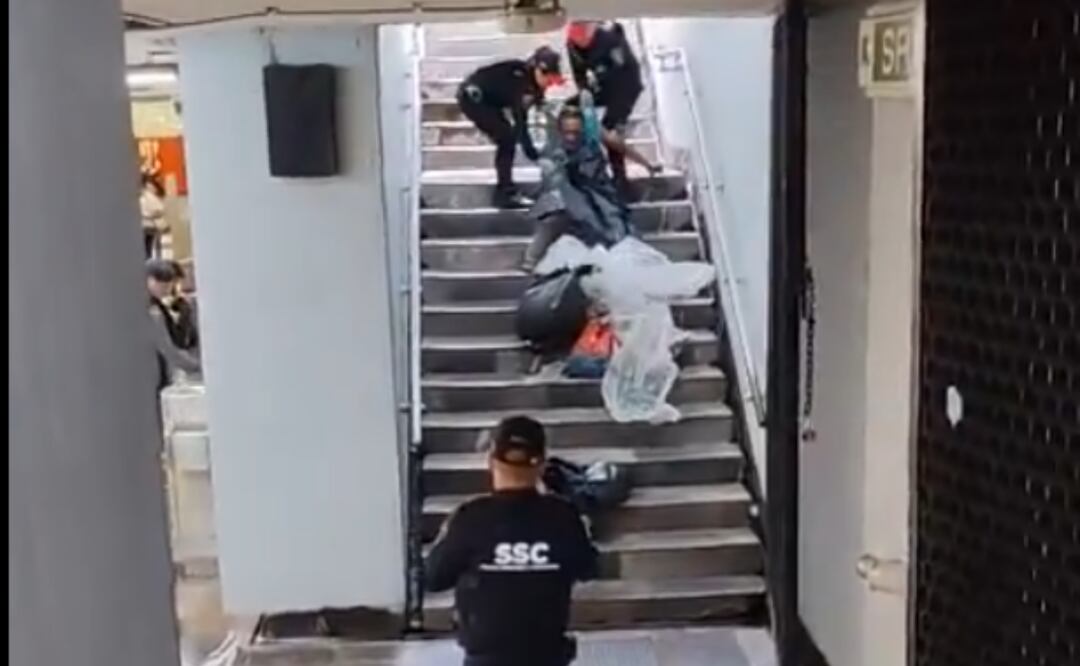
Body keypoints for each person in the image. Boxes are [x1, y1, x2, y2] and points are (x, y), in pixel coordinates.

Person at [426, 416, 598, 666]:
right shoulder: (564, 517)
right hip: (546, 655)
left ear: (491, 461)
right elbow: (589, 568)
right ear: (541, 465)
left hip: (485, 658)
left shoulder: (469, 518)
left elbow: (433, 578)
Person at [523, 101, 661, 271]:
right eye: (567, 133)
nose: (571, 138)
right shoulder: (553, 147)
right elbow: (552, 180)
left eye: (576, 132)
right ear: (560, 130)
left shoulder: (593, 133)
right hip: (570, 192)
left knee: (614, 226)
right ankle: (532, 258)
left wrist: (647, 164)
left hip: (599, 191)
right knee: (555, 212)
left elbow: (619, 146)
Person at [457, 46, 566, 209]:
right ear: (539, 71)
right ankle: (504, 193)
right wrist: (531, 152)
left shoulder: (532, 84)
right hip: (474, 99)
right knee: (506, 138)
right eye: (549, 80)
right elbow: (519, 119)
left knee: (507, 136)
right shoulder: (519, 80)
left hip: (490, 101)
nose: (549, 86)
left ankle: (506, 190)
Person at [566, 20, 645, 194]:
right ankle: (576, 164)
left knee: (611, 128)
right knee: (569, 107)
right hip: (602, 84)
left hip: (626, 84)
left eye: (583, 39)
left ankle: (620, 179)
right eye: (576, 39)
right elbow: (579, 73)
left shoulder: (610, 41)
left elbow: (623, 72)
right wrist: (584, 92)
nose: (580, 43)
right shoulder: (572, 45)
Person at [147, 259, 200, 393]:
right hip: (153, 373)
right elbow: (167, 348)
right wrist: (197, 366)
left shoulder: (155, 305)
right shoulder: (152, 310)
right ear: (151, 280)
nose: (168, 291)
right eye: (164, 287)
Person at [140, 172, 168, 258]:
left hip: (147, 224)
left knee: (148, 245)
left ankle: (148, 259)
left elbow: (158, 209)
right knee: (150, 245)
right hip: (150, 224)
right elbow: (160, 208)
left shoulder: (146, 195)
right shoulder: (149, 194)